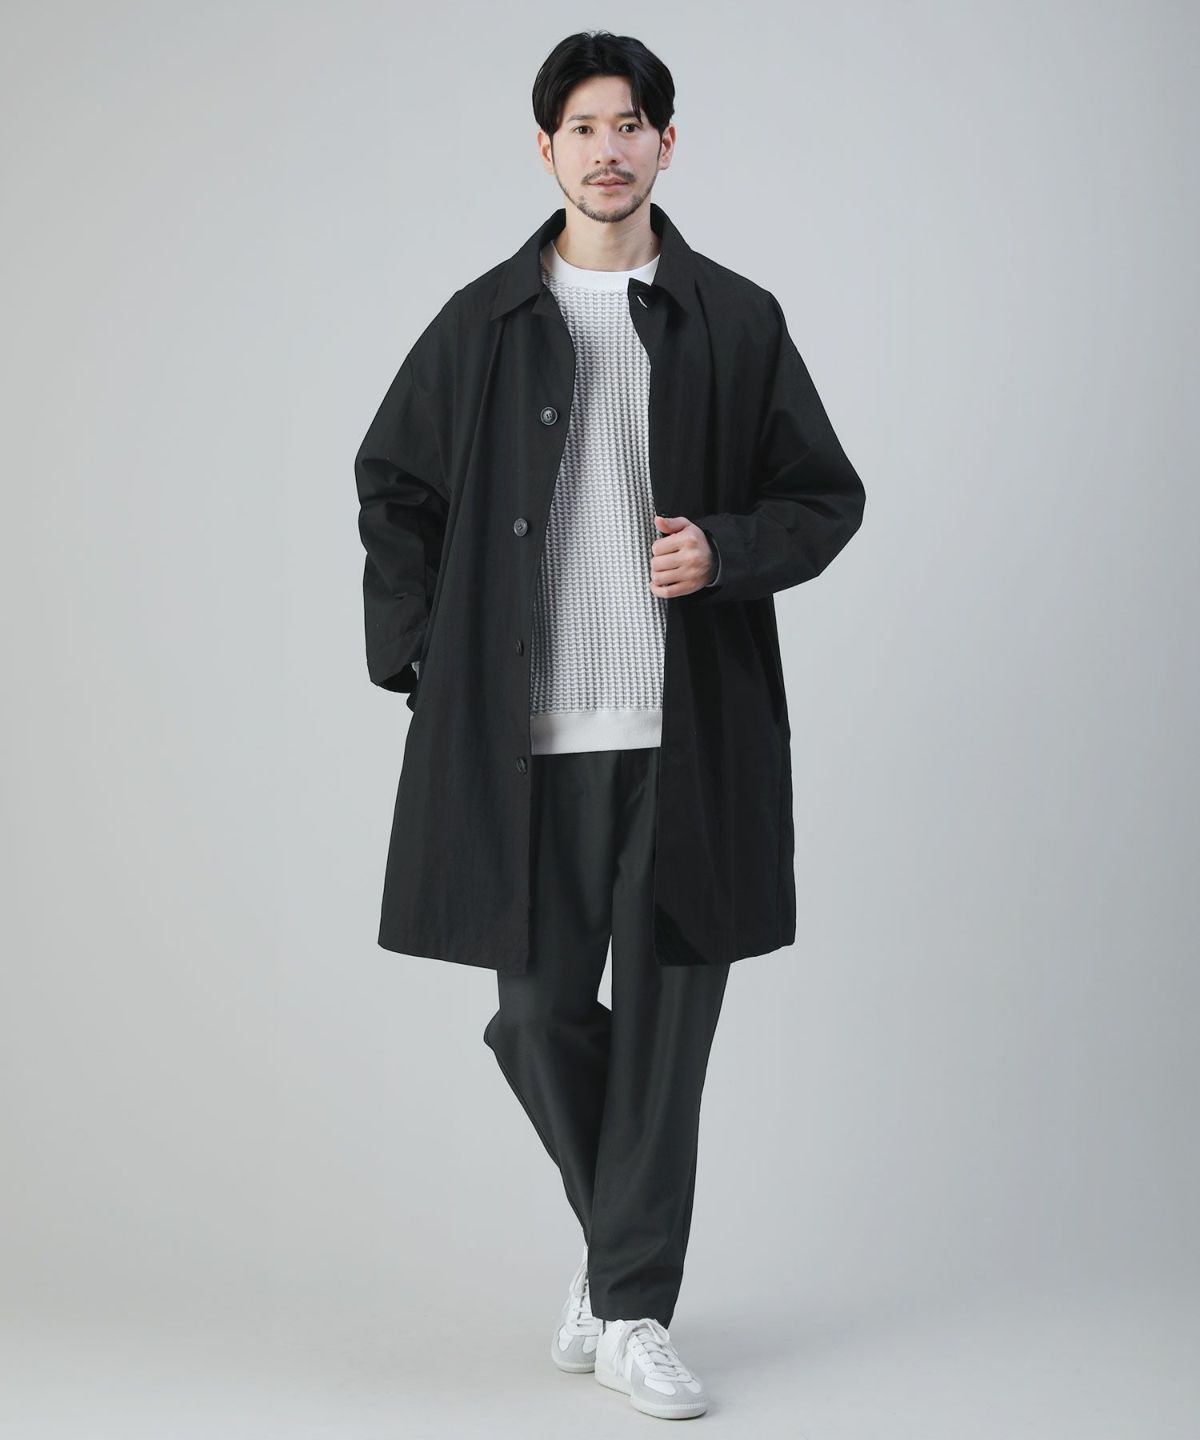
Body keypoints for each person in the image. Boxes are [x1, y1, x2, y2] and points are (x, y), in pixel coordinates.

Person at [353, 30, 866, 1422]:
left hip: (688, 741)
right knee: (535, 1017)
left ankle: (630, 1309)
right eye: (582, 126)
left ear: (665, 144)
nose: (607, 148)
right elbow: (393, 481)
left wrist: (728, 548)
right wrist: (419, 655)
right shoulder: (483, 322)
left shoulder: (735, 318)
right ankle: (617, 1251)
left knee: (667, 1039)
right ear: (546, 150)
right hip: (528, 742)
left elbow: (825, 497)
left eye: (630, 123)